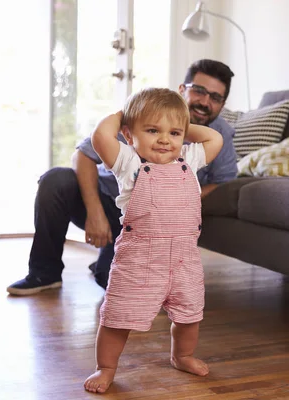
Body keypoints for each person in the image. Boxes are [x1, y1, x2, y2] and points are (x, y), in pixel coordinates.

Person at [6, 59, 237, 294]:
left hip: (146, 223)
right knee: (55, 180)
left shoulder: (217, 136)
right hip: (106, 197)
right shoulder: (145, 114)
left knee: (112, 280)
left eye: (215, 97)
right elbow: (83, 155)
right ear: (182, 89)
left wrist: (174, 201)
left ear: (223, 103)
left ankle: (108, 260)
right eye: (199, 91)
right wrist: (95, 212)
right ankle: (44, 273)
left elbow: (223, 183)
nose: (205, 102)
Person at [83, 87, 222, 393]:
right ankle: (105, 367)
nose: (164, 139)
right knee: (118, 317)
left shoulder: (188, 158)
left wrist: (180, 124)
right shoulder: (128, 163)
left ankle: (182, 355)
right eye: (152, 130)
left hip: (184, 259)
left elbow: (215, 139)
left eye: (173, 132)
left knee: (189, 315)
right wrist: (128, 116)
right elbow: (100, 136)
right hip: (140, 261)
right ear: (129, 135)